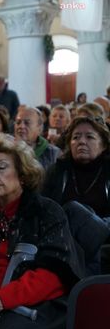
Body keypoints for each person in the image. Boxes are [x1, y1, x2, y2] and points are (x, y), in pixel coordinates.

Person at [0, 135, 83, 329]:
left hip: (33, 308)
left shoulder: (46, 212)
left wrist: (0, 300)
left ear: (22, 175)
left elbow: (55, 274)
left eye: (1, 167)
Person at [43, 116, 110, 272]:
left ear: (104, 144)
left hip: (105, 246)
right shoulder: (57, 171)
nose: (81, 141)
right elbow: (44, 210)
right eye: (76, 137)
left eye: (90, 137)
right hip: (64, 245)